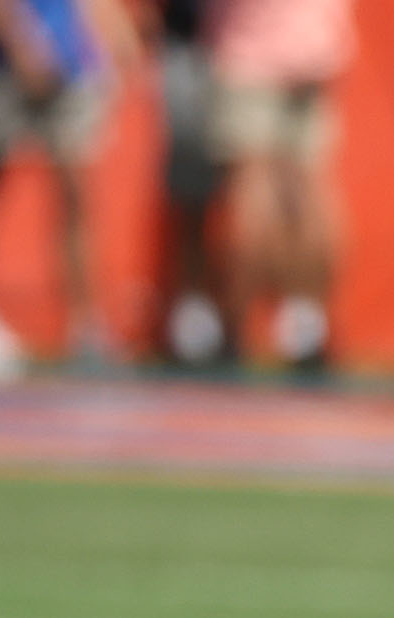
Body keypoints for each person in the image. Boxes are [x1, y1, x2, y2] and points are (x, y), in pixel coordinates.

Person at [0, 0, 141, 382]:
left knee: (76, 192)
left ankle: (87, 328)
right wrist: (22, 44)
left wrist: (118, 37)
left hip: (70, 62)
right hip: (1, 60)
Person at [207, 0, 354, 374]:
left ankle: (235, 328)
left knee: (253, 193)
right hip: (315, 52)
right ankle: (307, 324)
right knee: (312, 193)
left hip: (250, 55)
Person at [148, 0, 231, 368]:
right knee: (190, 188)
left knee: (244, 192)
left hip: (244, 50)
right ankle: (194, 309)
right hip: (191, 45)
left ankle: (232, 317)